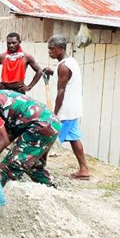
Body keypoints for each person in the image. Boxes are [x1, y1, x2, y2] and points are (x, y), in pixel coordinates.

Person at [44, 35, 90, 180]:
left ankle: (38, 164)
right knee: (74, 137)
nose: (49, 52)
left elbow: (61, 92)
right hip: (73, 108)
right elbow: (65, 78)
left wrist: (55, 113)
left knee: (48, 134)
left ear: (61, 49)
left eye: (52, 49)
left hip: (66, 110)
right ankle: (84, 169)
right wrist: (52, 72)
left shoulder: (63, 66)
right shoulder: (69, 62)